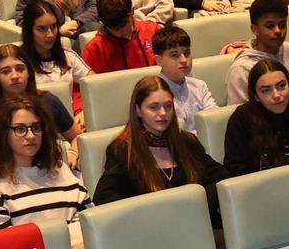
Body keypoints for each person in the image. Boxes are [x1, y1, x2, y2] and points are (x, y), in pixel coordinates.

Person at [91, 75, 224, 217]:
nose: (163, 113)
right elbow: (104, 198)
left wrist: (194, 204)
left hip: (195, 221)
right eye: (154, 107)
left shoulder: (186, 141)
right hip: (150, 230)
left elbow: (221, 178)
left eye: (168, 106)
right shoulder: (122, 150)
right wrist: (148, 212)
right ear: (138, 110)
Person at [0, 93, 89, 249]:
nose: (30, 135)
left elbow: (89, 225)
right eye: (20, 129)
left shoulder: (61, 170)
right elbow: (6, 248)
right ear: (2, 134)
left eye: (36, 127)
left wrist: (37, 241)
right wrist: (64, 239)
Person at [225, 0, 289, 103]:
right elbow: (240, 112)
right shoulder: (241, 68)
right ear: (254, 29)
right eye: (270, 26)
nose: (278, 31)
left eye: (282, 25)